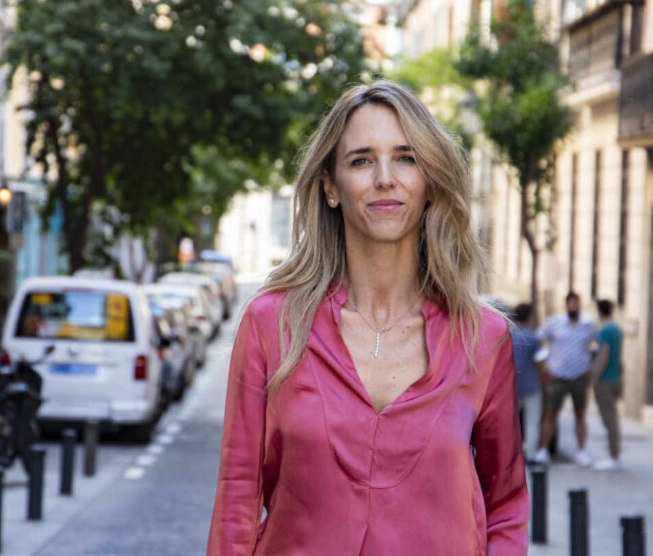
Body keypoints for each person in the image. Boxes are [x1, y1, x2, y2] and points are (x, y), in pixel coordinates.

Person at [207, 81, 528, 555]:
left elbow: (506, 504)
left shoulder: (482, 337)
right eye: (361, 160)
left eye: (406, 157)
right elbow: (237, 497)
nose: (384, 178)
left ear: (431, 185)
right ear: (331, 187)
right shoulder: (271, 324)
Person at [532, 292, 598, 466]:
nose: (574, 307)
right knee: (550, 413)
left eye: (576, 304)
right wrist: (543, 363)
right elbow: (536, 340)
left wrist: (591, 366)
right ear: (566, 305)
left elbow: (598, 346)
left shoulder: (588, 325)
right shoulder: (555, 323)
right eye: (571, 304)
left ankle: (581, 451)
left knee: (580, 414)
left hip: (579, 377)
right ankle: (543, 449)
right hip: (557, 376)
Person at [591, 299, 623, 470]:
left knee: (609, 418)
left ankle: (613, 455)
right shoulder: (617, 329)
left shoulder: (604, 330)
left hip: (605, 379)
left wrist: (596, 377)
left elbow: (604, 354)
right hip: (615, 378)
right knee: (613, 417)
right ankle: (614, 453)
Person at [511, 303, 542, 459]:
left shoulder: (508, 334)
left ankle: (509, 453)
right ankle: (530, 454)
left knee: (511, 421)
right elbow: (539, 361)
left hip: (511, 385)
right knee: (532, 420)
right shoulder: (532, 337)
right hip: (531, 385)